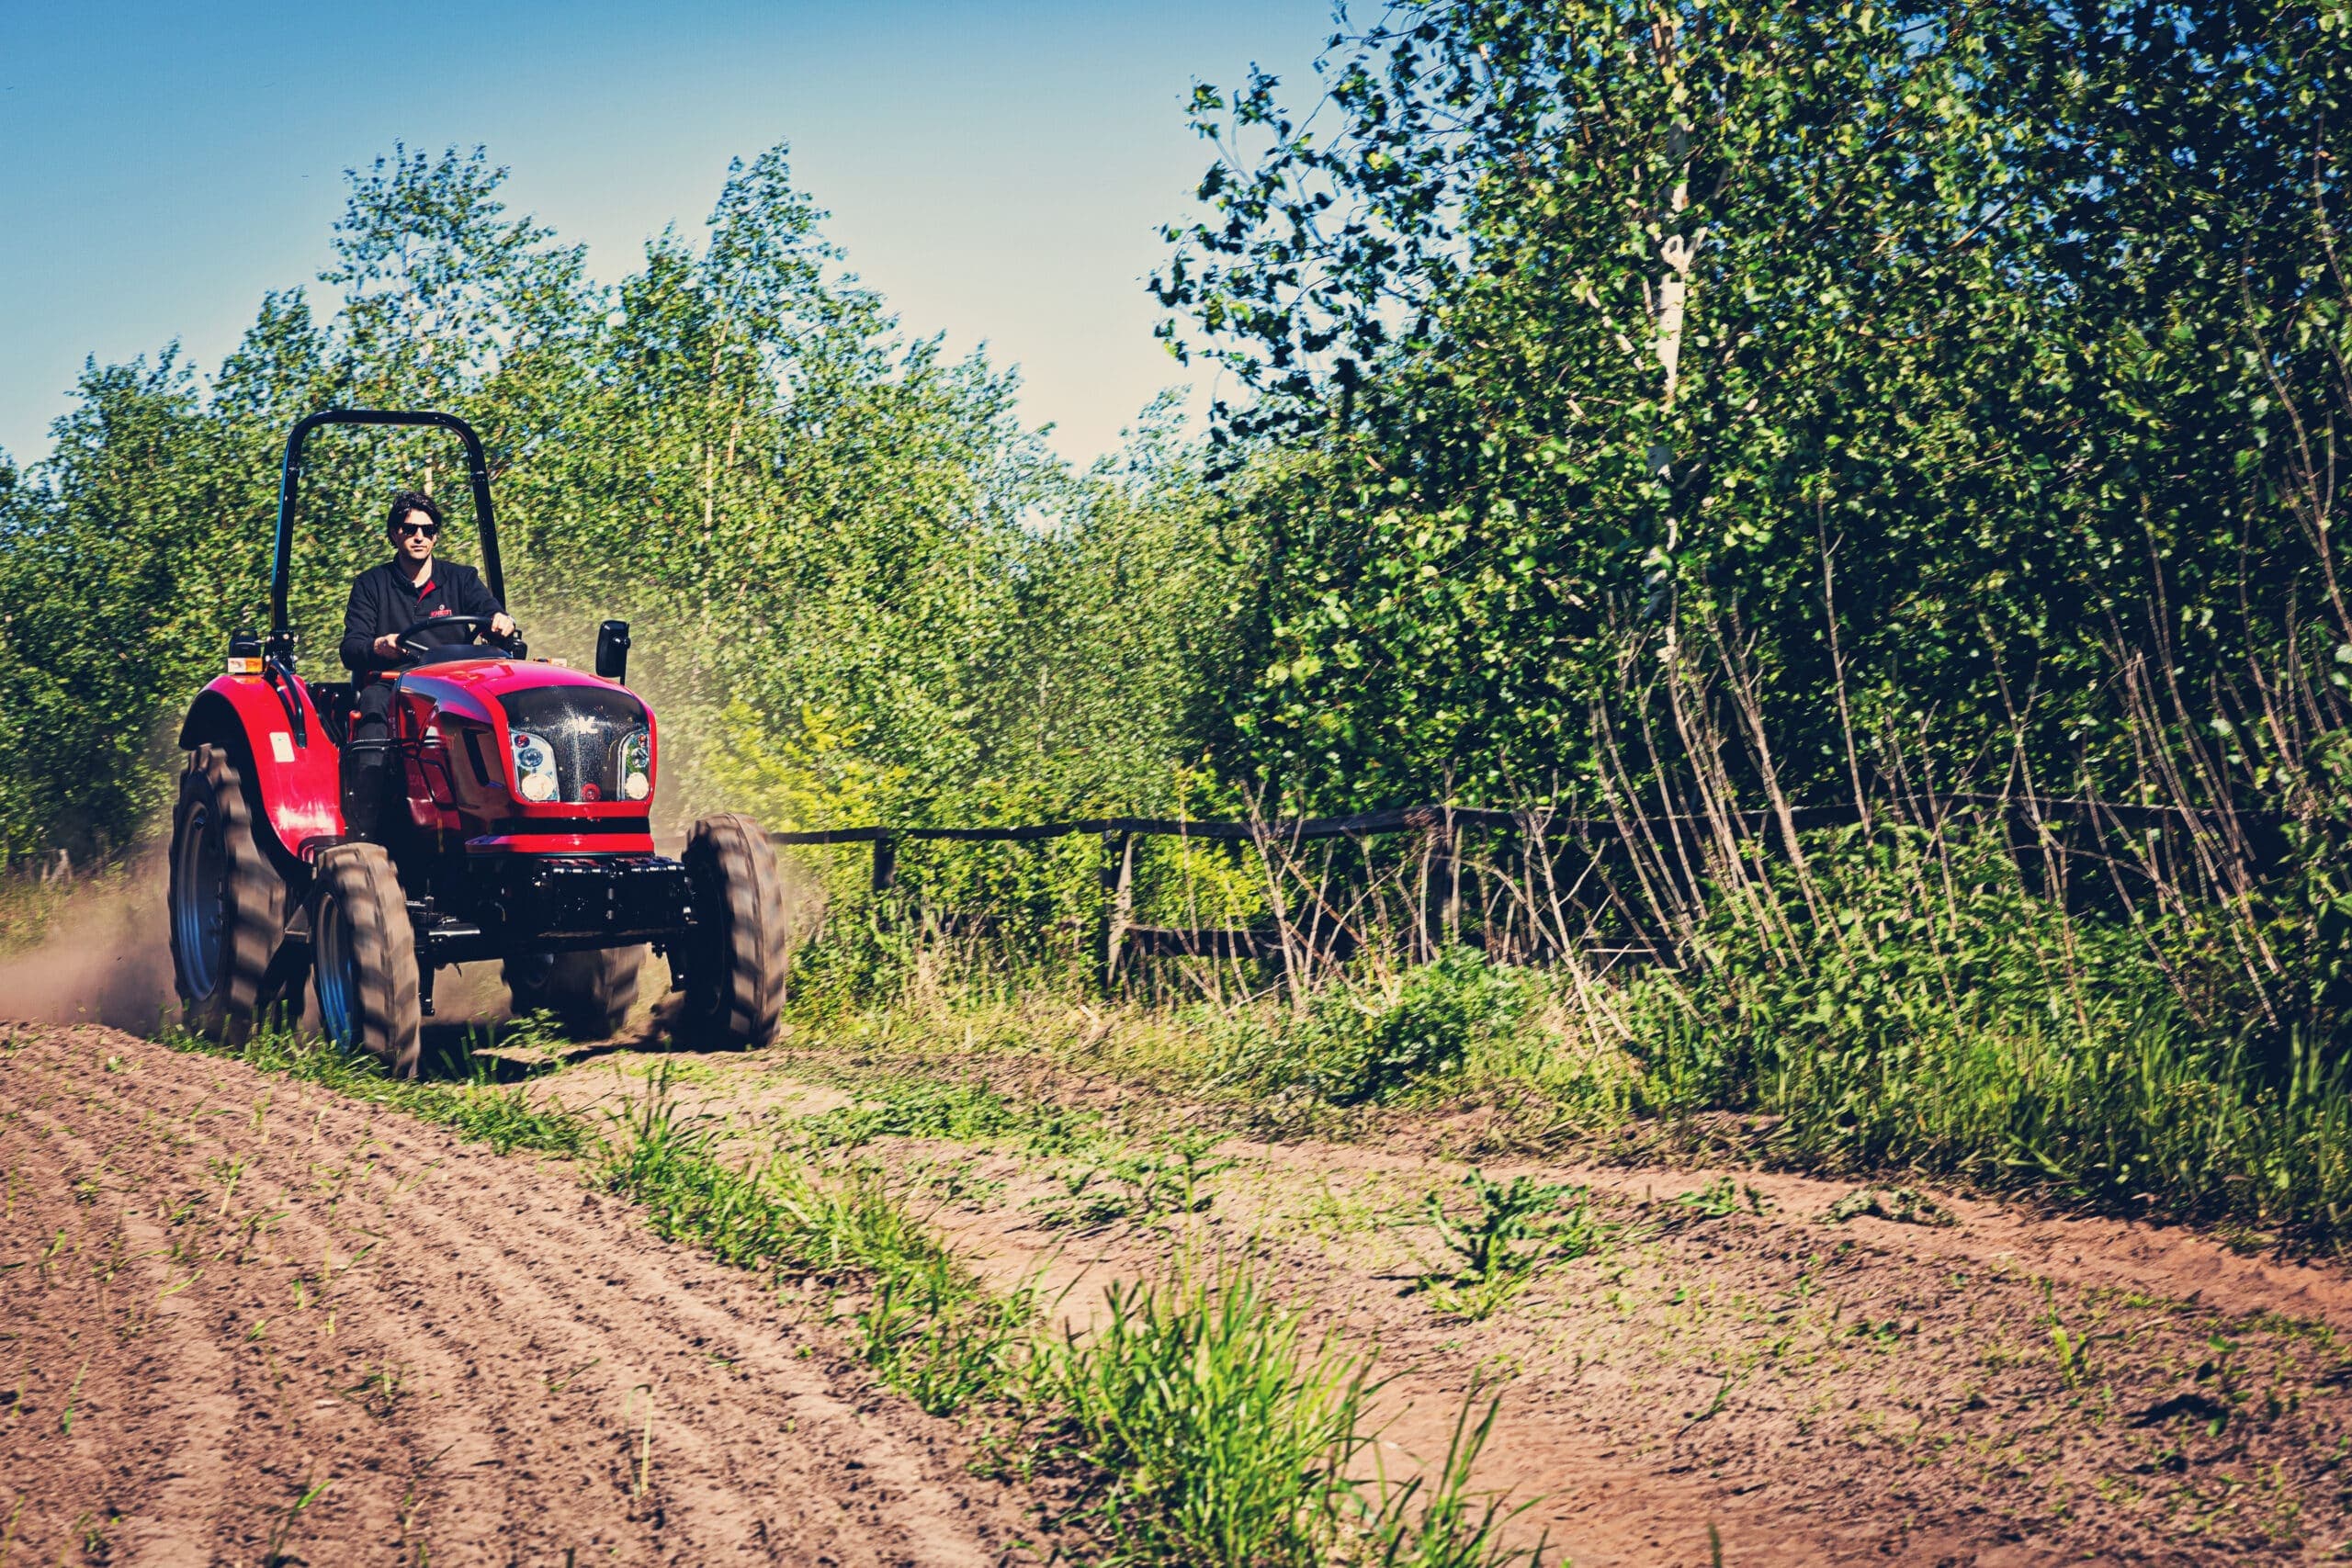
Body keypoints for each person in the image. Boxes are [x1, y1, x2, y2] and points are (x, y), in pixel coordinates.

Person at [336, 490, 516, 840]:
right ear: (394, 534)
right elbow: (352, 648)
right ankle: (368, 824)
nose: (419, 536)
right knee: (374, 705)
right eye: (410, 528)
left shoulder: (461, 579)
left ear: (436, 535)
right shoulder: (371, 584)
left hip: (455, 686)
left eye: (428, 529)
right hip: (395, 683)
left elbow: (493, 616)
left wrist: (500, 622)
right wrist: (379, 646)